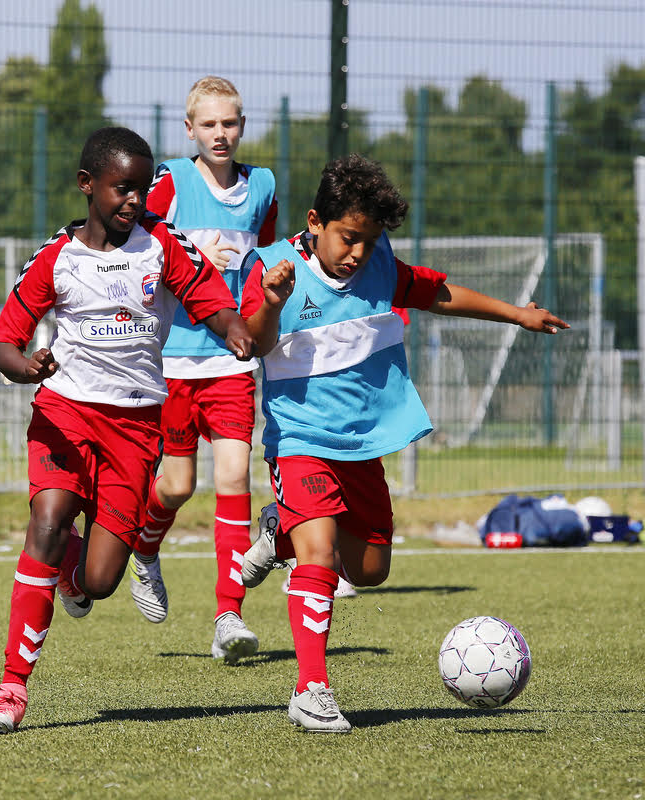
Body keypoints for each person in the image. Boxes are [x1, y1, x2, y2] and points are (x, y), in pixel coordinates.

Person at [237, 154, 568, 733]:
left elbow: (434, 294)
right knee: (319, 556)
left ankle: (276, 531)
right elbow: (255, 344)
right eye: (347, 237)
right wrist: (271, 301)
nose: (358, 252)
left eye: (368, 240)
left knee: (369, 570)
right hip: (301, 440)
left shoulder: (379, 264)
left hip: (363, 445)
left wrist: (516, 314)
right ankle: (311, 690)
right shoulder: (272, 267)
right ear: (315, 221)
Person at [0, 127, 254, 734]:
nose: (134, 200)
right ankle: (10, 690)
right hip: (65, 414)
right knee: (47, 523)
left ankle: (73, 574)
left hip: (134, 426)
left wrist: (232, 327)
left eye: (141, 188)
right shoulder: (56, 256)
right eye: (122, 189)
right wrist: (27, 369)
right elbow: (3, 341)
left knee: (97, 582)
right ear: (87, 186)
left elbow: (208, 296)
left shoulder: (162, 246)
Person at [126, 75, 280, 663]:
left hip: (230, 358)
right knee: (176, 485)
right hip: (169, 361)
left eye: (230, 123)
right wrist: (190, 255)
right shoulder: (170, 180)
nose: (221, 134)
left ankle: (228, 615)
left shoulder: (261, 185)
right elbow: (140, 239)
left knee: (236, 477)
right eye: (209, 124)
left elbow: (265, 254)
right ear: (190, 130)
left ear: (243, 126)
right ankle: (146, 547)